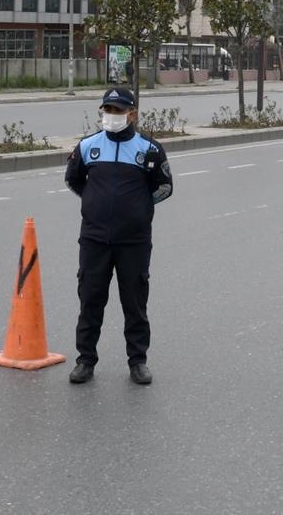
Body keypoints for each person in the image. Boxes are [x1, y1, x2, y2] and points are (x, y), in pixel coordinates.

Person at [64, 87, 173, 385]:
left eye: (117, 110)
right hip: (94, 239)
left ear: (132, 114)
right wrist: (93, 203)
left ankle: (138, 361)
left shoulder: (149, 149)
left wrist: (138, 209)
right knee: (90, 299)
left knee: (135, 301)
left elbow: (164, 187)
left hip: (133, 241)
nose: (111, 116)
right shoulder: (88, 147)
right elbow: (73, 180)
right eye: (107, 110)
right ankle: (85, 360)